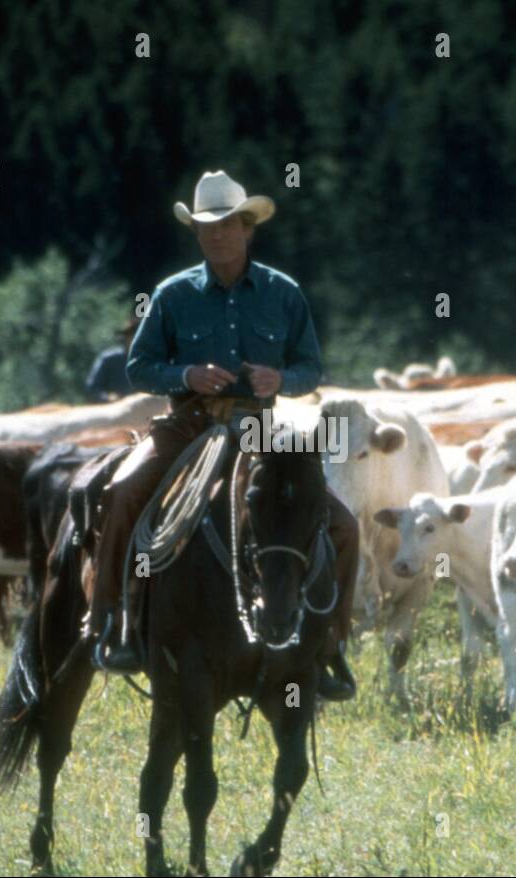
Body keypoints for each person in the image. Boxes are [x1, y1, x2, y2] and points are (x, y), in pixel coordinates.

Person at [84, 170, 358, 700]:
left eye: (227, 224)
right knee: (121, 494)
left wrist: (281, 380)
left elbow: (311, 369)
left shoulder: (284, 293)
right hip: (187, 425)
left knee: (343, 524)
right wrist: (184, 376)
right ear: (197, 232)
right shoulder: (171, 294)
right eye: (207, 226)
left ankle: (330, 645)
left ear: (247, 227)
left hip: (259, 429)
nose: (217, 235)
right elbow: (139, 367)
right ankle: (112, 620)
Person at [83, 317, 137, 401]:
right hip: (111, 410)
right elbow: (92, 388)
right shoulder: (108, 359)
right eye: (133, 336)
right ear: (126, 337)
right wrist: (108, 398)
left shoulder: (149, 363)